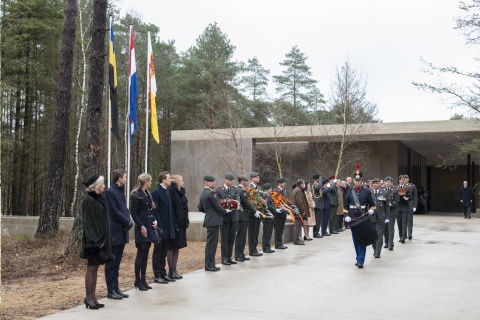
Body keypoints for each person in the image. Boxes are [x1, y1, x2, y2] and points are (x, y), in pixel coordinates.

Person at [81, 174, 112, 309]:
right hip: (93, 240)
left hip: (101, 239)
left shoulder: (99, 199)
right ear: (96, 186)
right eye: (102, 183)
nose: (104, 186)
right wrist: (97, 240)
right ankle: (88, 297)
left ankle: (93, 296)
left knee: (96, 267)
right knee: (91, 267)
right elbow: (89, 222)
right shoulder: (89, 200)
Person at [104, 169, 132, 300]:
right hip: (114, 231)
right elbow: (114, 212)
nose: (126, 179)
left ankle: (116, 287)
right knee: (111, 261)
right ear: (119, 178)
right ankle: (110, 290)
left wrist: (128, 219)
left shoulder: (120, 191)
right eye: (125, 177)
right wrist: (127, 221)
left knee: (117, 262)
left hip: (122, 231)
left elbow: (124, 209)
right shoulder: (110, 192)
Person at [130, 173, 158, 291]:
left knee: (146, 253)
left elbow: (150, 211)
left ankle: (143, 279)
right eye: (150, 181)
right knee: (141, 253)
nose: (151, 183)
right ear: (146, 181)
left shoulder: (147, 193)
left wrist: (154, 220)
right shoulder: (137, 194)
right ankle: (137, 280)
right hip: (142, 228)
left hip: (149, 226)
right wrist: (141, 225)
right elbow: (134, 212)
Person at [343, 165, 375, 268]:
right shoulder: (350, 191)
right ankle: (358, 257)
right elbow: (345, 206)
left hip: (363, 218)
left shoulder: (366, 191)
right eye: (356, 180)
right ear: (353, 180)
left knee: (362, 240)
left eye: (359, 180)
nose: (357, 181)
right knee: (355, 240)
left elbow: (373, 205)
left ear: (361, 180)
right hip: (353, 218)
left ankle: (361, 260)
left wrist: (371, 210)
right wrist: (346, 215)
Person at [199, 175, 230, 271]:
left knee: (211, 244)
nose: (214, 183)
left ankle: (210, 264)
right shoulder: (211, 193)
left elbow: (200, 208)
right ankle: (209, 265)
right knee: (212, 244)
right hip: (214, 221)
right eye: (212, 182)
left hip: (210, 219)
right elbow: (217, 206)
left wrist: (209, 212)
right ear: (206, 182)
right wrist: (226, 211)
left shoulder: (203, 193)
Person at [152, 171, 177, 283]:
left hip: (168, 226)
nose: (170, 180)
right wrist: (159, 226)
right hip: (161, 227)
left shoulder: (167, 191)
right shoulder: (156, 192)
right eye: (168, 178)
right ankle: (157, 274)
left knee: (164, 251)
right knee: (158, 252)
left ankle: (163, 272)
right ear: (163, 179)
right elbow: (155, 210)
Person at [168, 175, 190, 279]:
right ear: (177, 182)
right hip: (175, 224)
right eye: (181, 181)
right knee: (172, 247)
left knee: (177, 247)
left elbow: (184, 207)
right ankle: (171, 270)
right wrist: (175, 223)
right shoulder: (171, 191)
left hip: (181, 224)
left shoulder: (181, 192)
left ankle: (174, 269)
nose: (183, 182)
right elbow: (172, 209)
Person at [216, 173, 239, 265]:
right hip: (225, 218)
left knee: (231, 238)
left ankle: (229, 257)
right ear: (225, 180)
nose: (231, 182)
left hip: (234, 217)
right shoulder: (219, 190)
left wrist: (234, 204)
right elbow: (217, 203)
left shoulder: (235, 189)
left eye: (232, 180)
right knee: (225, 239)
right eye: (230, 180)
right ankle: (224, 258)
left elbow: (237, 199)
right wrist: (224, 209)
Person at [235, 175, 256, 261]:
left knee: (242, 237)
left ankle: (241, 254)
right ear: (242, 181)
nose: (247, 183)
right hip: (242, 216)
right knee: (241, 237)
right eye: (246, 181)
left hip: (242, 217)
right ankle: (238, 255)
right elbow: (246, 203)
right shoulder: (241, 190)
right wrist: (254, 211)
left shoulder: (239, 189)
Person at [370, 178, 389, 258]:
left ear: (379, 184)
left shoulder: (384, 192)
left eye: (377, 183)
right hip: (371, 217)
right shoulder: (369, 192)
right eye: (374, 183)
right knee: (373, 235)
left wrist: (387, 217)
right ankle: (374, 250)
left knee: (379, 235)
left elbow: (387, 206)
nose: (375, 184)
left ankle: (378, 252)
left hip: (381, 217)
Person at [248, 172, 263, 256]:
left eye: (258, 177)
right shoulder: (249, 188)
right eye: (257, 177)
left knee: (256, 231)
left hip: (259, 212)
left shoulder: (259, 187)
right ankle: (252, 250)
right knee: (252, 232)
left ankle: (255, 249)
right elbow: (249, 201)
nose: (258, 178)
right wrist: (254, 211)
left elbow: (261, 199)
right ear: (252, 178)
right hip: (252, 214)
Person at [291, 179, 309, 245]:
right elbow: (300, 202)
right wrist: (303, 210)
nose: (304, 185)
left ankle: (297, 238)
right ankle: (296, 240)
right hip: (298, 211)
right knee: (297, 225)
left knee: (298, 225)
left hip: (296, 210)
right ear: (301, 184)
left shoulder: (295, 190)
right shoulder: (298, 191)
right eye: (304, 183)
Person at [383, 176, 399, 250]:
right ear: (384, 182)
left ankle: (390, 244)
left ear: (391, 183)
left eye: (389, 182)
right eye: (386, 182)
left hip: (392, 212)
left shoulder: (395, 190)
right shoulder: (382, 190)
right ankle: (386, 242)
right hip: (384, 213)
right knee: (385, 228)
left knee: (391, 228)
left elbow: (396, 200)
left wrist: (391, 204)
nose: (388, 183)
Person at [396, 175, 412, 243]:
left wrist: (405, 196)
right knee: (399, 223)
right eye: (400, 179)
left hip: (405, 207)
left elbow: (410, 197)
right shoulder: (396, 188)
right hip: (398, 207)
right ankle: (400, 236)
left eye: (403, 179)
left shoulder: (407, 187)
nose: (402, 180)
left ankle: (403, 237)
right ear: (399, 180)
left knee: (404, 222)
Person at [273, 177, 288, 249]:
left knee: (281, 229)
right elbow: (275, 202)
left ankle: (280, 243)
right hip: (278, 213)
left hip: (283, 212)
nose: (285, 183)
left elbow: (285, 200)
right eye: (284, 182)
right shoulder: (276, 190)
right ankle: (277, 244)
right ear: (280, 183)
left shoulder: (283, 191)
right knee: (278, 229)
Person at [261, 183, 277, 252]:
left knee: (269, 232)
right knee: (266, 233)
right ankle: (265, 247)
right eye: (270, 189)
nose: (271, 190)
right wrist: (275, 209)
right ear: (266, 190)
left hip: (271, 216)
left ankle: (268, 246)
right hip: (267, 217)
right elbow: (267, 205)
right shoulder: (265, 196)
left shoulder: (269, 196)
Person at [404, 175, 418, 240]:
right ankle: (404, 235)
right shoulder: (400, 186)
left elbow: (415, 196)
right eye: (404, 178)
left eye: (406, 178)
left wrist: (415, 206)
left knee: (409, 220)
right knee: (403, 220)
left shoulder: (412, 186)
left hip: (410, 204)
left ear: (408, 179)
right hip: (403, 204)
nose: (405, 180)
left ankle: (410, 234)